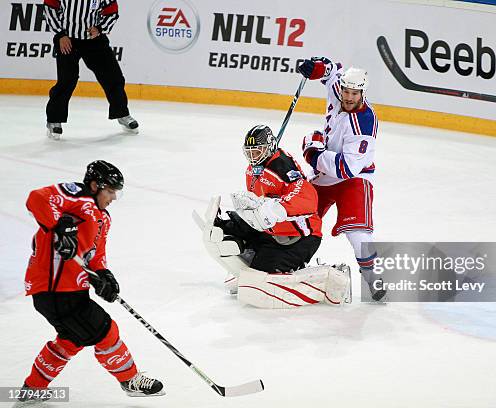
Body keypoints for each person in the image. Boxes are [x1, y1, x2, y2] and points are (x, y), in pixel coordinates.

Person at [15, 160, 163, 406]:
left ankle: (32, 389)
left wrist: (104, 275)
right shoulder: (77, 197)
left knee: (71, 340)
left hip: (73, 289)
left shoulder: (103, 218)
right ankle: (130, 379)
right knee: (105, 329)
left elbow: (95, 256)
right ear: (95, 185)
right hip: (54, 289)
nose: (114, 197)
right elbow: (37, 198)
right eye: (111, 191)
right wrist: (60, 224)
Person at [199, 125, 351, 308]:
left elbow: (307, 195)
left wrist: (279, 208)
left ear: (269, 146)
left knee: (262, 275)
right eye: (250, 152)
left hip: (298, 238)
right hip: (272, 231)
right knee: (225, 232)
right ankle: (251, 266)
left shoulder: (282, 167)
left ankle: (331, 276)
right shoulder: (253, 169)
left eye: (258, 151)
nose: (253, 157)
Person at [297, 57, 385, 301]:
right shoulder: (340, 90)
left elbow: (346, 168)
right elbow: (331, 70)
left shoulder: (365, 123)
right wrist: (315, 69)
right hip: (324, 177)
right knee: (301, 217)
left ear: (362, 93)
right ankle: (289, 261)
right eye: (346, 91)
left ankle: (372, 277)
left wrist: (313, 154)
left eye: (354, 93)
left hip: (355, 178)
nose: (348, 97)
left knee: (357, 231)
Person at [43, 0, 138, 140]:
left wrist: (100, 28)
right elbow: (49, 9)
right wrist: (60, 35)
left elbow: (112, 11)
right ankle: (54, 120)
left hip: (94, 39)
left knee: (113, 77)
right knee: (67, 80)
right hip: (67, 39)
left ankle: (121, 113)